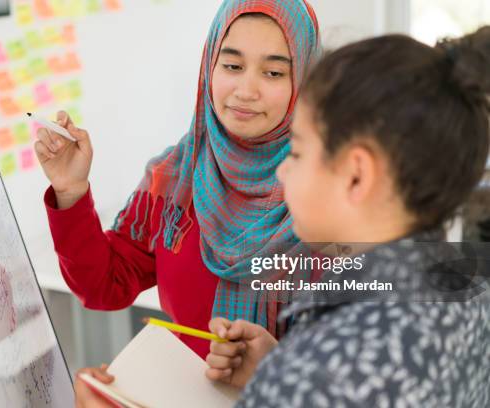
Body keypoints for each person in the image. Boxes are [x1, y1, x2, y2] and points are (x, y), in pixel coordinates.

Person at [203, 27, 490, 407]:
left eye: (298, 152)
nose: (282, 172)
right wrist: (277, 368)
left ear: (357, 175)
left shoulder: (317, 373)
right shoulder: (470, 290)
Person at [34, 0, 320, 359]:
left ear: (306, 79)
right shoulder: (174, 178)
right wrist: (70, 191)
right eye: (232, 65)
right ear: (209, 66)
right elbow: (104, 285)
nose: (246, 90)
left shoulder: (338, 194)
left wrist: (276, 371)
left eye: (274, 73)